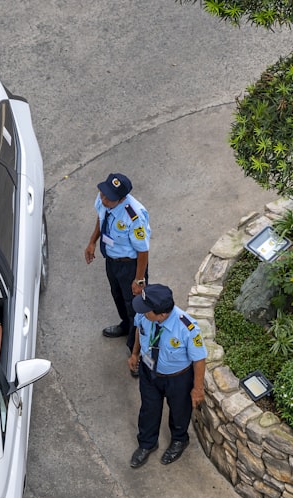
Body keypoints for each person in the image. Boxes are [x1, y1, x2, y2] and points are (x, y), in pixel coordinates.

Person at [127, 284, 207, 468]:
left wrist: (197, 389)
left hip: (177, 379)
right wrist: (134, 354)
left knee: (179, 412)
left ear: (162, 315)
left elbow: (199, 359)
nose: (142, 312)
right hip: (149, 372)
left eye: (147, 311)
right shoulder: (145, 314)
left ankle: (179, 439)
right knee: (148, 409)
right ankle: (147, 443)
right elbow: (140, 329)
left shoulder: (188, 328)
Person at [84, 173, 150, 352]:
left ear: (121, 199)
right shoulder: (104, 198)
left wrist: (139, 280)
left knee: (135, 306)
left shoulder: (134, 217)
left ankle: (137, 349)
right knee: (118, 295)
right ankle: (125, 326)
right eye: (103, 194)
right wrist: (92, 242)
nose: (103, 199)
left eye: (108, 198)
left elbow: (143, 251)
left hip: (130, 265)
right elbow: (101, 217)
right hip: (112, 261)